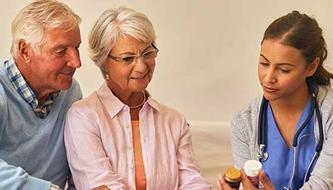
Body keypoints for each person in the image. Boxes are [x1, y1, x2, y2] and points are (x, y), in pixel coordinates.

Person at [64, 7, 211, 190]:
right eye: (127, 58)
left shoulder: (174, 121)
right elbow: (101, 186)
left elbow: (192, 182)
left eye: (147, 54)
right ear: (104, 62)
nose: (141, 67)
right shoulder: (83, 117)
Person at [218, 11, 333, 190]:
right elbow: (248, 184)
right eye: (264, 64)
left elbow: (324, 183)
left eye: (284, 69)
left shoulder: (329, 113)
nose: (268, 78)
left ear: (311, 67)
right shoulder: (244, 123)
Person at [0, 0, 82, 189]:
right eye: (61, 51)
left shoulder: (71, 92)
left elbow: (78, 161)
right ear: (25, 50)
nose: (76, 62)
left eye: (76, 48)